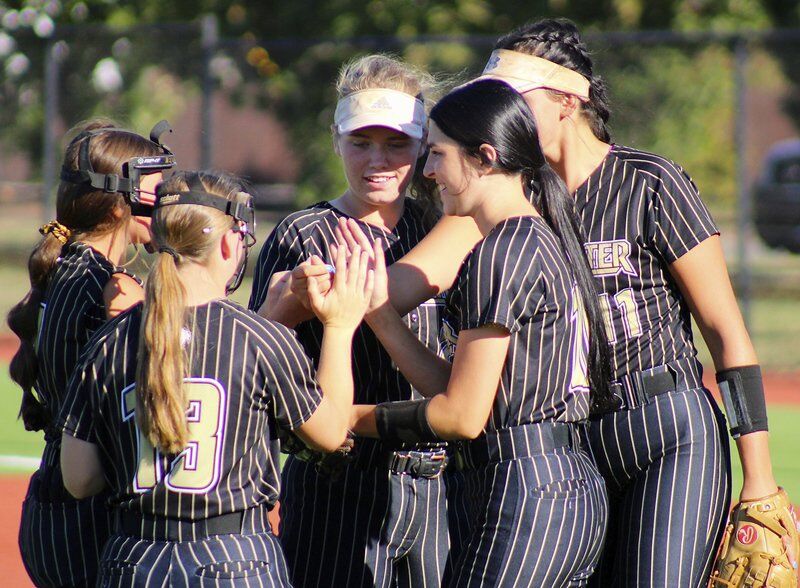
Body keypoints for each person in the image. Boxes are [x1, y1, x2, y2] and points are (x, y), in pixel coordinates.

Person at [314, 18, 795, 587]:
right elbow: (395, 285)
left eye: (514, 96)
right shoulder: (507, 194)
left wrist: (758, 476)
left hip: (665, 429)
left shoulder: (649, 182)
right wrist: (302, 296)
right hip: (573, 443)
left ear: (569, 101)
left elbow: (726, 334)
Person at [341, 78, 610, 587]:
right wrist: (381, 315)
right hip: (558, 485)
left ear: (485, 157)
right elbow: (459, 391)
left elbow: (459, 418)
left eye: (439, 154)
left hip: (524, 492)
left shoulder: (501, 251)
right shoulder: (538, 235)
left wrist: (350, 419)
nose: (429, 170)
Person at [57, 170, 374, 586]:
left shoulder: (108, 342)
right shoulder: (262, 339)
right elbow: (331, 434)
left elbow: (79, 479)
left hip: (133, 559)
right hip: (233, 558)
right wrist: (340, 325)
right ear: (229, 243)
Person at [248, 54, 453, 588]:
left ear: (425, 143)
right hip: (335, 482)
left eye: (397, 143)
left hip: (442, 483)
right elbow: (251, 361)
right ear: (336, 138)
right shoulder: (303, 234)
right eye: (361, 142)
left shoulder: (444, 230)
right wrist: (285, 311)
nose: (378, 161)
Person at [7, 119, 175, 587]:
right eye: (155, 192)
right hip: (85, 518)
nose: (166, 205)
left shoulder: (75, 268)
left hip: (60, 509)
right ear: (121, 203)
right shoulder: (103, 287)